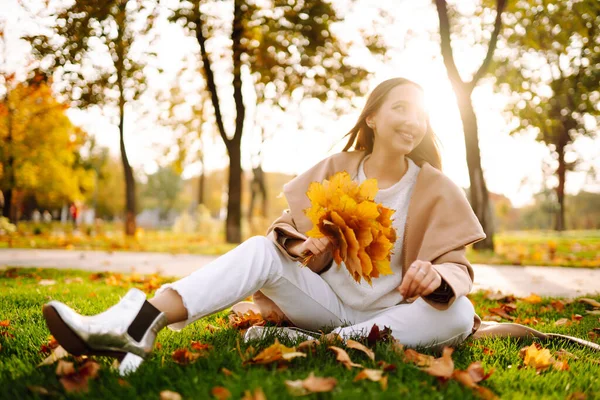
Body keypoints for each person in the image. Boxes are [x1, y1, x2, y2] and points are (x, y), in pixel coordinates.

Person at [42, 78, 487, 375]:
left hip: (394, 317)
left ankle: (318, 343)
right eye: (401, 108)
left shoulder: (434, 186)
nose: (412, 120)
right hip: (328, 302)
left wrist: (436, 276)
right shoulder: (334, 168)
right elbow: (283, 230)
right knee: (258, 249)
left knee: (461, 312)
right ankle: (138, 323)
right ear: (371, 117)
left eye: (420, 114)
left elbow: (459, 268)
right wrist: (302, 248)